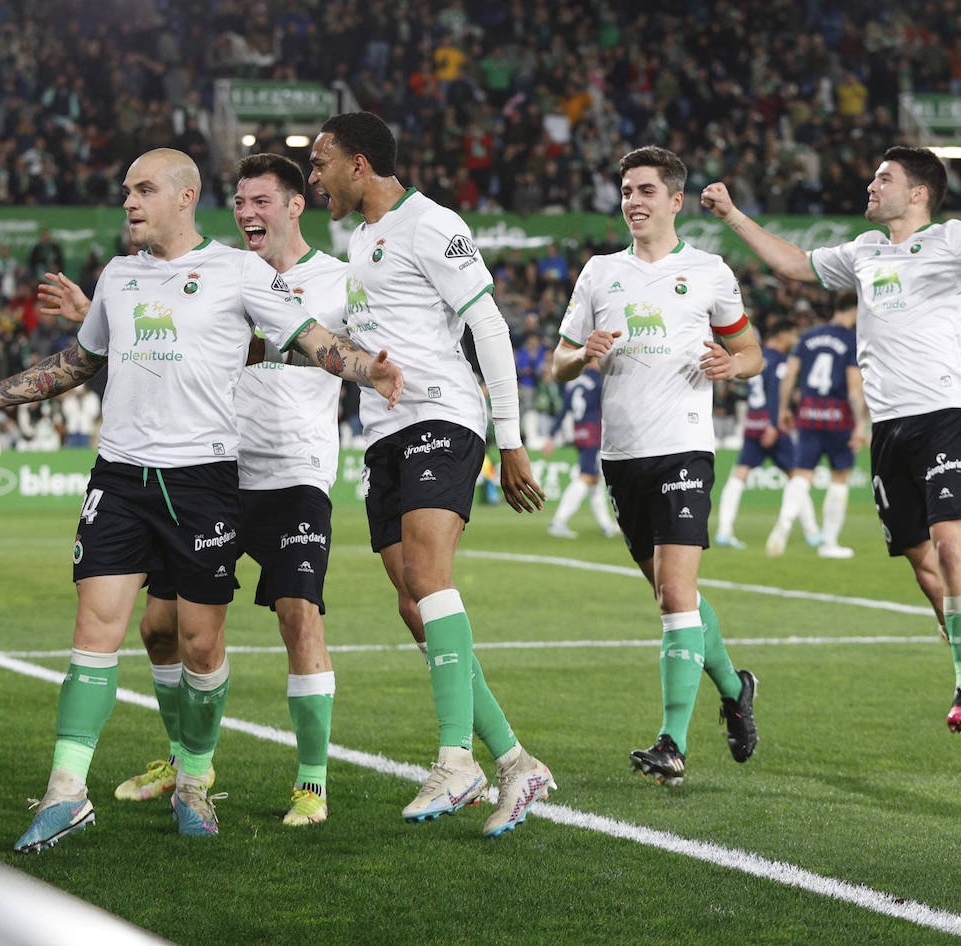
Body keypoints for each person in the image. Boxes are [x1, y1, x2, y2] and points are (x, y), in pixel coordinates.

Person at [0, 148, 402, 851]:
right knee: (96, 631)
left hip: (203, 482)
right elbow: (83, 361)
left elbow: (310, 340)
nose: (129, 202)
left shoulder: (239, 272)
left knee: (201, 643)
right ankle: (66, 792)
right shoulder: (118, 275)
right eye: (126, 191)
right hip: (120, 477)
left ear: (185, 197)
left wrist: (371, 369)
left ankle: (194, 780)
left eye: (143, 190)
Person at [702, 145, 961, 765]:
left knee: (952, 543)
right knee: (923, 567)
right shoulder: (862, 253)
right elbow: (793, 265)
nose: (870, 184)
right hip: (890, 429)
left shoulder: (953, 239)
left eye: (883, 178)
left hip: (947, 414)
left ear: (917, 193)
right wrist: (733, 214)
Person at [39, 153, 348, 828]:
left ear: (296, 206)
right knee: (159, 630)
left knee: (297, 612)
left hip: (292, 470)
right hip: (218, 468)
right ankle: (184, 764)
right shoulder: (225, 275)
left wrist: (374, 371)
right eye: (239, 203)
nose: (247, 214)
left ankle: (311, 781)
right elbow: (180, 339)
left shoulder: (334, 281)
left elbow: (329, 346)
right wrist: (102, 312)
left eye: (260, 202)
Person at [308, 112, 554, 837]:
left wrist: (509, 439)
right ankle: (513, 761)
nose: (314, 176)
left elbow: (489, 326)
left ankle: (456, 759)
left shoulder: (430, 224)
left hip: (441, 415)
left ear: (360, 164)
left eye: (321, 163)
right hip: (383, 434)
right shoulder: (360, 240)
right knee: (413, 603)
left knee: (427, 573)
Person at [553, 146, 764, 786]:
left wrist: (733, 367)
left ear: (675, 200)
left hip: (684, 446)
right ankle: (734, 687)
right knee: (676, 597)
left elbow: (749, 350)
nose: (633, 201)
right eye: (626, 190)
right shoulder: (598, 273)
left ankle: (671, 741)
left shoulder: (708, 272)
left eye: (646, 190)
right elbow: (556, 363)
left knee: (675, 595)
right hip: (622, 456)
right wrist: (579, 355)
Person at [765, 293, 868, 559]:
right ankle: (829, 543)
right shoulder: (850, 340)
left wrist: (784, 409)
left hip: (809, 413)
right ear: (854, 310)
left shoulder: (808, 336)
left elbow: (789, 376)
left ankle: (784, 525)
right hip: (838, 415)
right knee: (839, 477)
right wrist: (860, 425)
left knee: (801, 474)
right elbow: (855, 390)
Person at [713, 319, 816, 549]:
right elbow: (775, 393)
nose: (794, 340)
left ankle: (724, 531)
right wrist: (772, 424)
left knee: (739, 475)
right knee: (797, 476)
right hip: (773, 427)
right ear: (781, 335)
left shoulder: (756, 358)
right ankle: (813, 533)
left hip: (753, 424)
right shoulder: (780, 361)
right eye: (792, 334)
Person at [543, 365, 620, 539]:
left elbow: (563, 411)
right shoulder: (599, 380)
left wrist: (551, 436)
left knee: (595, 480)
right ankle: (558, 522)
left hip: (580, 433)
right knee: (587, 476)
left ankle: (606, 525)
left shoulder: (573, 382)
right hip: (594, 434)